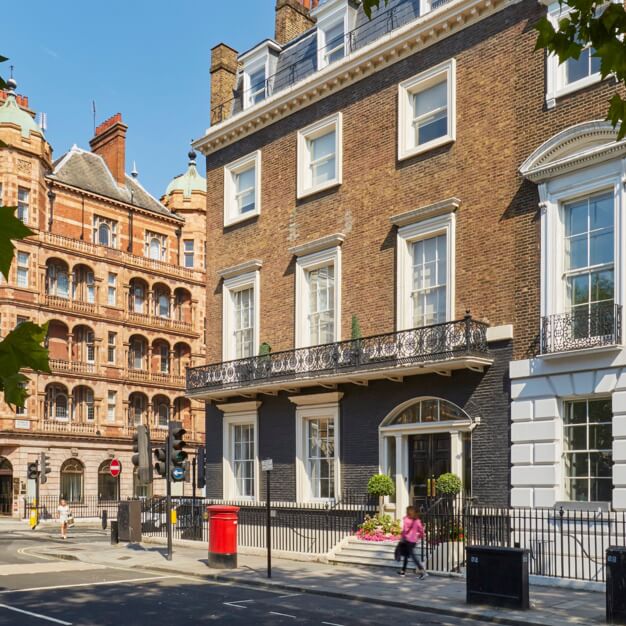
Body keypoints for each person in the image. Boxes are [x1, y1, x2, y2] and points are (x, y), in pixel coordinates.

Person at [399, 506, 428, 578]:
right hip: (414, 540)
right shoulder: (417, 520)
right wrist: (420, 536)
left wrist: (402, 537)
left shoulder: (406, 519)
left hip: (407, 540)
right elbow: (421, 530)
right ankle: (403, 571)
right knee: (406, 555)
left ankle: (423, 572)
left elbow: (405, 530)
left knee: (413, 556)